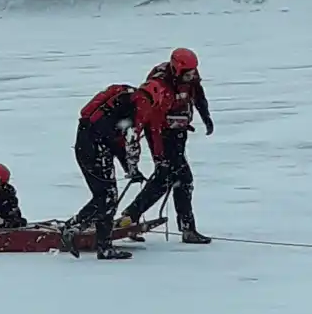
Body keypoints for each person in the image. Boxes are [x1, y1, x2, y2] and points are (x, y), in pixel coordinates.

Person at [60, 79, 174, 260]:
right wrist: (132, 165)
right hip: (95, 147)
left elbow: (117, 141)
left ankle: (103, 246)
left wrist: (130, 169)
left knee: (107, 195)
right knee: (107, 196)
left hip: (87, 143)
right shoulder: (142, 104)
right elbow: (130, 140)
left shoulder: (126, 101)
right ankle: (73, 228)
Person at [118, 48, 213, 244]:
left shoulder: (191, 76)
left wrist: (206, 117)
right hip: (159, 133)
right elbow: (152, 121)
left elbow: (198, 96)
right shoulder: (160, 83)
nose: (192, 76)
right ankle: (187, 228)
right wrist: (160, 154)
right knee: (180, 178)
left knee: (167, 178)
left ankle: (131, 216)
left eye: (194, 72)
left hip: (178, 132)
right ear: (177, 69)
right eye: (188, 73)